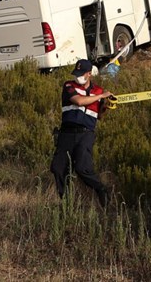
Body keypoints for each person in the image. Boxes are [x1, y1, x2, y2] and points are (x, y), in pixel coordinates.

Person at [51, 59, 115, 205]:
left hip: (86, 133)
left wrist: (106, 106)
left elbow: (99, 116)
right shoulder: (69, 85)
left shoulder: (98, 90)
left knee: (82, 167)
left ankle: (101, 190)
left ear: (89, 74)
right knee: (58, 167)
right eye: (76, 73)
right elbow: (79, 101)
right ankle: (66, 202)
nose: (77, 76)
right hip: (67, 133)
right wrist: (101, 97)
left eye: (81, 73)